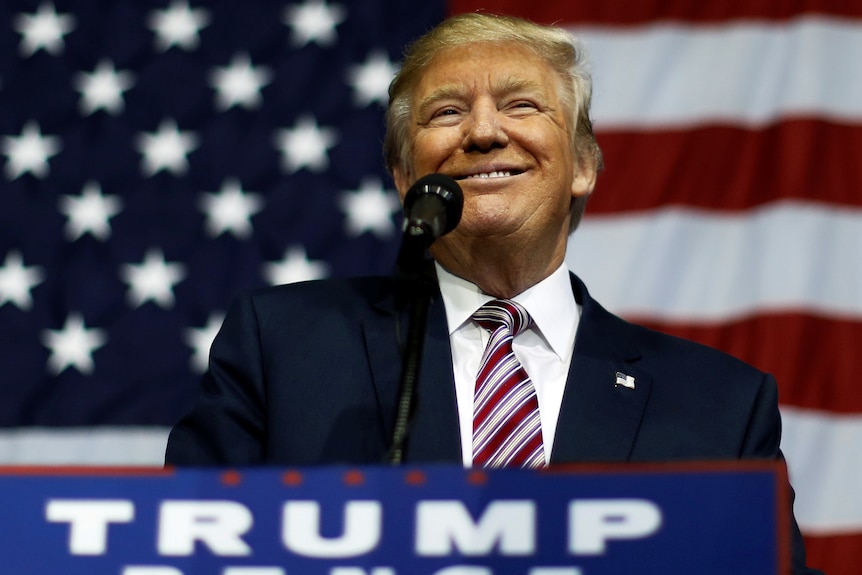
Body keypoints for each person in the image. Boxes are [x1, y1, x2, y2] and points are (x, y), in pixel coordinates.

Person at [166, 13, 821, 574]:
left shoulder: (720, 405)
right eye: (447, 111)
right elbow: (183, 555)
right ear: (403, 175)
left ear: (584, 164)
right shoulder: (283, 345)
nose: (483, 132)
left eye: (521, 105)